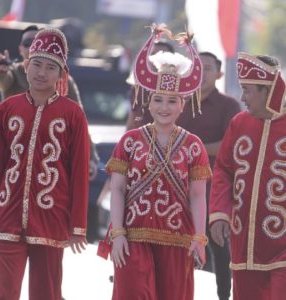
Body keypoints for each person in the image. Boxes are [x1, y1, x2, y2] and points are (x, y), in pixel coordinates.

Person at [104, 24, 212, 300]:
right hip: (132, 237)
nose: (164, 107)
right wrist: (117, 234)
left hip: (178, 240)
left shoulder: (193, 145)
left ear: (182, 105)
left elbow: (197, 195)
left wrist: (200, 238)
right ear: (148, 102)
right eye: (159, 100)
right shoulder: (130, 141)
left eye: (172, 101)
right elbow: (117, 189)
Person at [127, 49, 241, 299]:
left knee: (217, 247)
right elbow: (140, 130)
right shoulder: (170, 102)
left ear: (220, 72)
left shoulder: (228, 106)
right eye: (198, 67)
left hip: (209, 188)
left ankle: (224, 294)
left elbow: (229, 145)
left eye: (208, 68)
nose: (165, 106)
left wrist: (189, 147)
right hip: (154, 195)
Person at [0, 28, 89, 300]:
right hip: (6, 213)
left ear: (61, 74)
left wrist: (78, 225)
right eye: (37, 64)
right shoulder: (7, 109)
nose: (42, 73)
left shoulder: (73, 114)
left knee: (47, 293)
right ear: (27, 65)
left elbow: (78, 172)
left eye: (50, 67)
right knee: (1, 292)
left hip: (52, 216)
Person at [209, 52, 286, 300]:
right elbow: (223, 169)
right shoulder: (239, 123)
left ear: (269, 90)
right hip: (244, 246)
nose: (242, 98)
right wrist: (219, 213)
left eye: (248, 90)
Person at [0, 24, 99, 180]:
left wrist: (90, 159)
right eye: (27, 43)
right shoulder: (13, 72)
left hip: (50, 162)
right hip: (15, 158)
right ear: (20, 49)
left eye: (35, 41)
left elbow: (79, 121)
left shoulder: (62, 81)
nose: (31, 46)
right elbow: (1, 80)